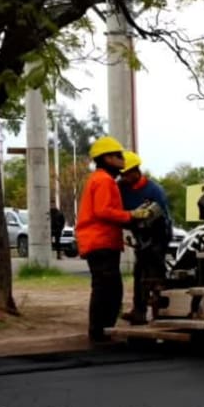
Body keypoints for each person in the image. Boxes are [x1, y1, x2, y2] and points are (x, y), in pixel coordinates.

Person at [77, 135, 156, 343]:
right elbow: (103, 211)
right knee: (107, 289)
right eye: (119, 155)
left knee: (107, 287)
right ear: (107, 158)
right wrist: (131, 216)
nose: (122, 159)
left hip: (99, 241)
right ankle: (100, 332)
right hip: (100, 241)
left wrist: (129, 218)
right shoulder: (103, 180)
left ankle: (102, 330)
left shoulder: (100, 179)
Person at [117, 152, 173, 325]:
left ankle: (161, 311)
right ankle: (139, 311)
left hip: (158, 234)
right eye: (122, 175)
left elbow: (162, 216)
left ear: (135, 172)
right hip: (140, 235)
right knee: (139, 273)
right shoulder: (121, 189)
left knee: (156, 274)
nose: (123, 178)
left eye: (126, 174)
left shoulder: (154, 190)